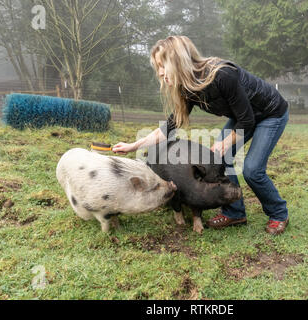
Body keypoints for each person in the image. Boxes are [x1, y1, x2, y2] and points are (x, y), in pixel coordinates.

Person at [113, 35, 289, 235]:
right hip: (242, 115)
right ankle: (234, 212)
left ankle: (278, 214)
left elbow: (247, 121)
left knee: (252, 169)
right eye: (157, 68)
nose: (161, 73)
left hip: (270, 113)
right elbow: (170, 127)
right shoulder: (188, 89)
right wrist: (134, 145)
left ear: (178, 61)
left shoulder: (222, 75)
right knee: (220, 160)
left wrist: (223, 145)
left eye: (163, 65)